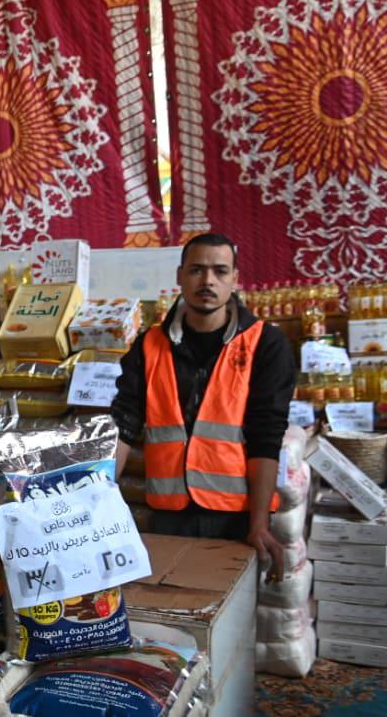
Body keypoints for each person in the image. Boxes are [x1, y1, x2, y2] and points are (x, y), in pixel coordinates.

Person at [110, 233, 295, 580]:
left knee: (229, 605)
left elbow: (266, 435)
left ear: (234, 279)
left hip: (236, 516)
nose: (208, 281)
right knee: (169, 605)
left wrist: (259, 524)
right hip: (168, 515)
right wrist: (97, 504)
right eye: (196, 270)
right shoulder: (149, 344)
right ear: (180, 276)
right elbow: (124, 424)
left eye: (220, 271)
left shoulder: (265, 344)